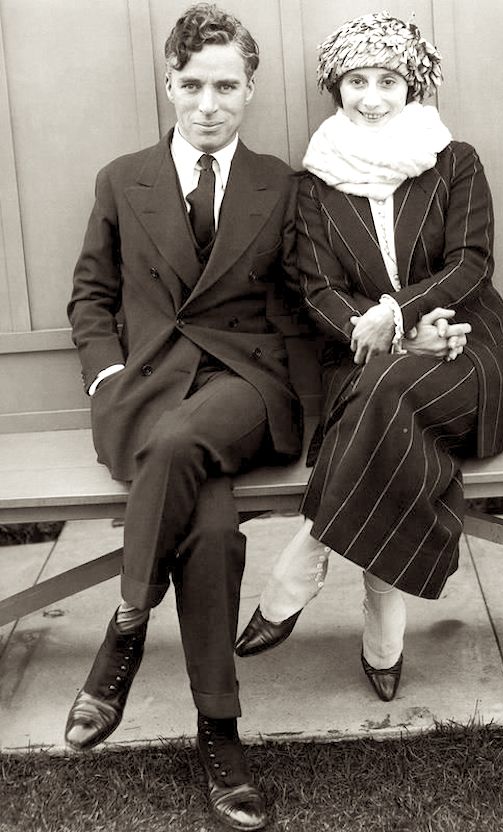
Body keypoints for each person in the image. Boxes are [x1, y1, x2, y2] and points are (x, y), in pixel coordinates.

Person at [235, 11, 503, 703]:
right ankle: (382, 624)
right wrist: (400, 338)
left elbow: (470, 263)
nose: (371, 97)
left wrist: (398, 315)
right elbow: (317, 288)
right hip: (368, 359)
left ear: (413, 87)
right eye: (356, 81)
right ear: (335, 87)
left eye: (388, 81)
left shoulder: (455, 160)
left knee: (380, 398)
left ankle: (302, 561)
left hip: (469, 349)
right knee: (386, 407)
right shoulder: (314, 184)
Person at [65, 5, 301, 830]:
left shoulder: (280, 183)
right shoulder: (121, 178)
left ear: (250, 89)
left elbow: (305, 298)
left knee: (178, 440)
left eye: (226, 86)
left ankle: (125, 629)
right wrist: (106, 375)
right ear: (170, 83)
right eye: (194, 84)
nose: (209, 104)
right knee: (211, 526)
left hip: (245, 383)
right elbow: (91, 296)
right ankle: (220, 732)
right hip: (146, 386)